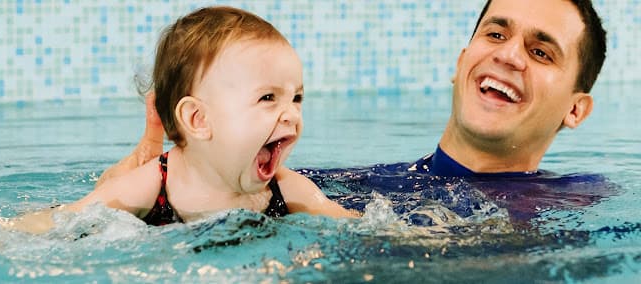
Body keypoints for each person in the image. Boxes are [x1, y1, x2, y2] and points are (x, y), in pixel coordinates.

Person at [96, 0, 610, 224]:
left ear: (576, 109)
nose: (509, 56)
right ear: (461, 64)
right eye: (495, 34)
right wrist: (174, 181)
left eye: (541, 51)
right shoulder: (333, 186)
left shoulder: (581, 209)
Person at [1, 6, 357, 234]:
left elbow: (358, 227)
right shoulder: (149, 188)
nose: (291, 113)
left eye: (297, 98)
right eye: (268, 98)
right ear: (198, 119)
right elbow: (58, 221)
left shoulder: (288, 190)